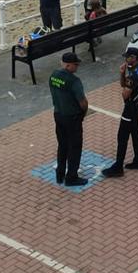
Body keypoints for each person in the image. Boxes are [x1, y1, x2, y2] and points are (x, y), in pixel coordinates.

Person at [101, 49, 138, 178]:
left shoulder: (134, 75)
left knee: (122, 136)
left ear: (133, 57)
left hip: (131, 108)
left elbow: (125, 92)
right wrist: (122, 74)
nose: (125, 59)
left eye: (127, 57)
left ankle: (118, 167)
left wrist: (127, 103)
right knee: (136, 132)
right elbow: (124, 84)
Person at [49, 53, 89, 186]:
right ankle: (71, 177)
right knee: (75, 147)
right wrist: (83, 113)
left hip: (58, 115)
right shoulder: (74, 81)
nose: (77, 67)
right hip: (72, 118)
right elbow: (82, 102)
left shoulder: (53, 75)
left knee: (62, 146)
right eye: (75, 65)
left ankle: (60, 174)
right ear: (67, 65)